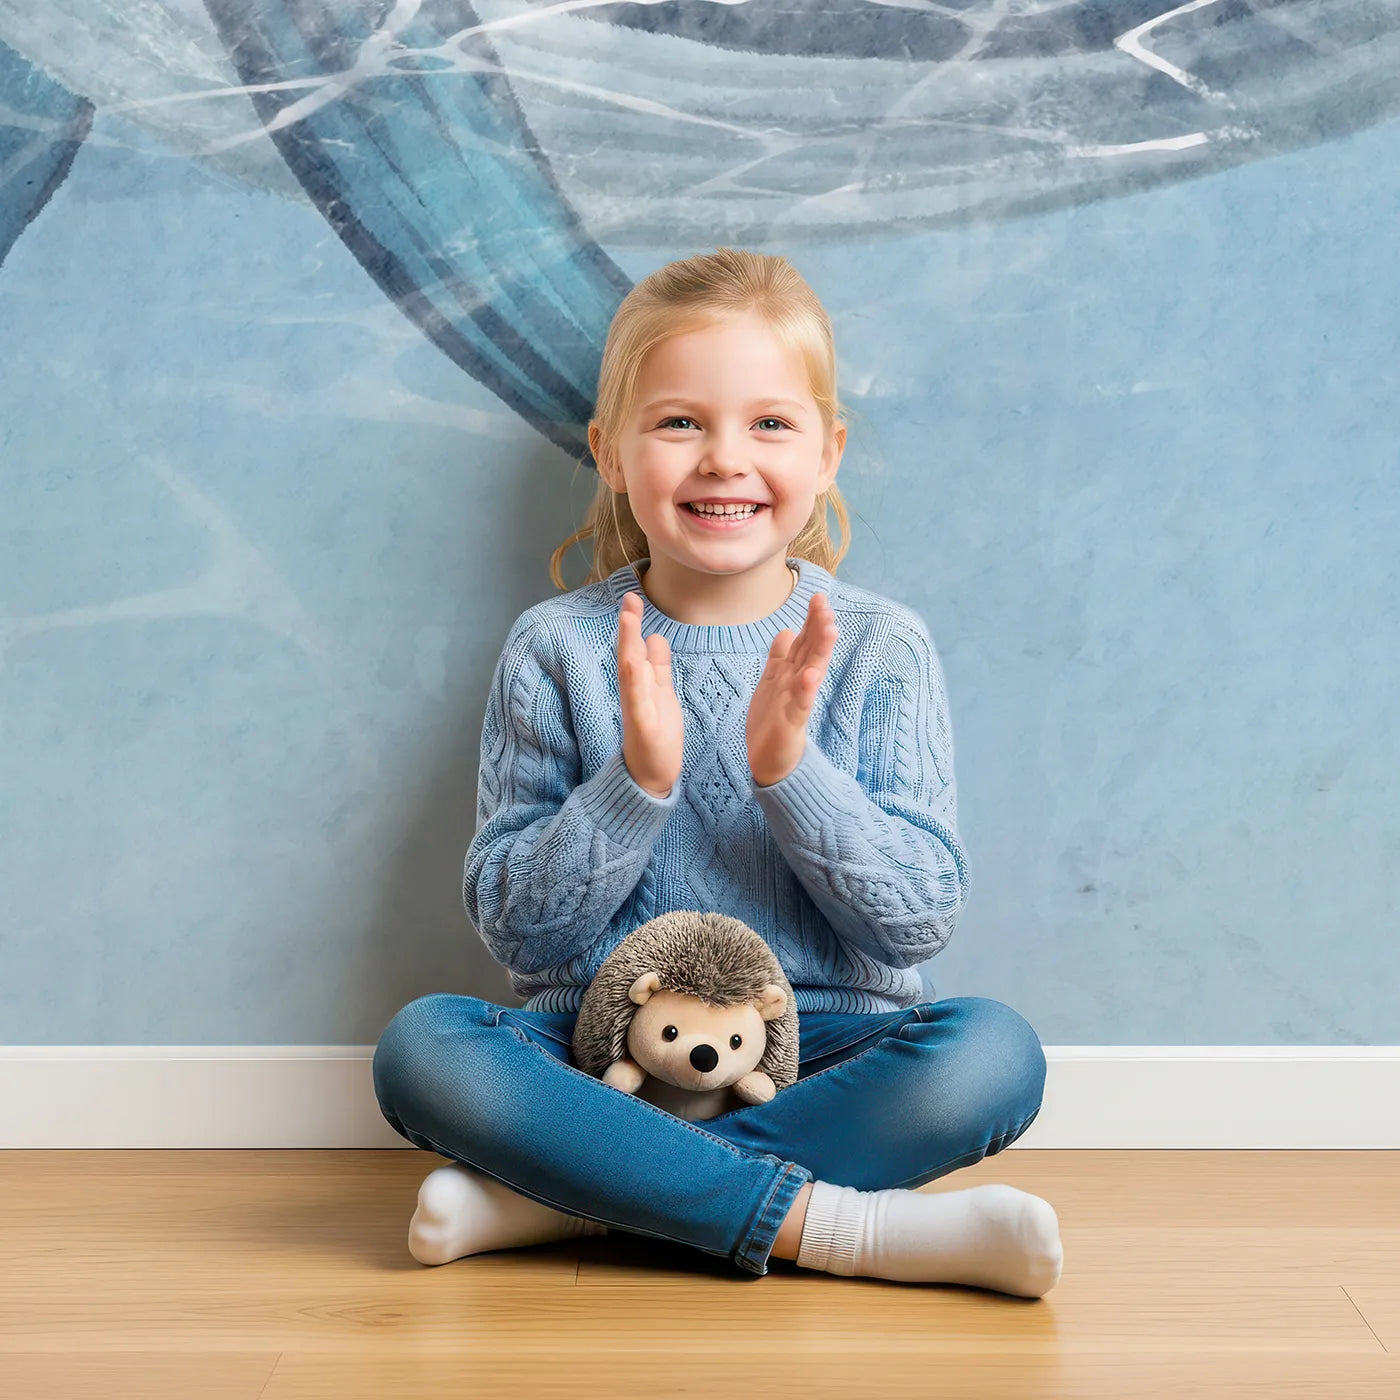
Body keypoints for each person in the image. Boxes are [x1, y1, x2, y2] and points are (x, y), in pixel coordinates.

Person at [372, 247, 1063, 1297]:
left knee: (991, 1053)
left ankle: (572, 1201)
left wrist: (792, 774)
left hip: (822, 1041)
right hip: (597, 1057)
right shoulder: (555, 645)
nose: (722, 459)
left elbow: (915, 921)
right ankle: (844, 1228)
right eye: (679, 421)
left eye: (769, 424)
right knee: (424, 1047)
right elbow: (520, 931)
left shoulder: (880, 646)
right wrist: (634, 783)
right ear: (610, 451)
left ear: (827, 453)